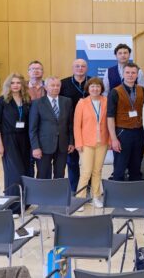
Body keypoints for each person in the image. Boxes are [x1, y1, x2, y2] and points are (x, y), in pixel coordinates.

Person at [0, 73, 32, 215]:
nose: (15, 85)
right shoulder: (1, 101)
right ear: (8, 85)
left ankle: (25, 204)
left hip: (25, 139)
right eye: (12, 83)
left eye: (18, 83)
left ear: (22, 85)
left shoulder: (27, 100)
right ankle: (13, 207)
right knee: (15, 173)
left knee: (26, 171)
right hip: (8, 139)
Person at [107, 63, 144, 182]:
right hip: (122, 133)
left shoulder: (142, 90)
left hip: (139, 132)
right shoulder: (115, 92)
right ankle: (117, 193)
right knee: (120, 168)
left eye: (133, 73)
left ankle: (133, 192)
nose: (130, 75)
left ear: (137, 75)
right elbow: (110, 117)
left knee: (136, 168)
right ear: (123, 74)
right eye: (127, 72)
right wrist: (113, 139)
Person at [73, 77, 108, 208]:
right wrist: (78, 143)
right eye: (92, 86)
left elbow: (110, 121)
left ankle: (96, 197)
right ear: (88, 88)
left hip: (102, 142)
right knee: (86, 171)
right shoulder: (82, 103)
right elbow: (77, 125)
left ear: (101, 88)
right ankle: (79, 200)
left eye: (98, 86)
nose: (95, 89)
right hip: (86, 143)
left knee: (97, 171)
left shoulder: (106, 101)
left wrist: (110, 140)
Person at [29, 77, 74, 179]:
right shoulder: (37, 103)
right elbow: (33, 128)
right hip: (43, 146)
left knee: (60, 174)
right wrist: (35, 147)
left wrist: (71, 142)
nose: (55, 88)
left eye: (58, 85)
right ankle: (42, 190)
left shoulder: (67, 101)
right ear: (45, 87)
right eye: (52, 85)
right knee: (43, 174)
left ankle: (56, 190)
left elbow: (70, 124)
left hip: (62, 145)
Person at [60, 59, 90, 193]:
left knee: (88, 160)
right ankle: (74, 188)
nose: (80, 68)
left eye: (83, 66)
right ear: (73, 68)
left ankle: (87, 186)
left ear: (86, 68)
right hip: (70, 125)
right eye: (77, 66)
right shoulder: (63, 83)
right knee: (72, 160)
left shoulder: (92, 82)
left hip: (89, 126)